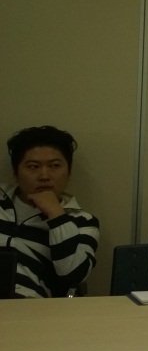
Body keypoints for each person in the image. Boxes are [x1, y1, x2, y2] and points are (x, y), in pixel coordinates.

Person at [0, 126, 100, 298]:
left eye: (54, 166)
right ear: (15, 174)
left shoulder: (82, 222)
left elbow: (73, 276)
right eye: (33, 166)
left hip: (34, 308)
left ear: (69, 173)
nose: (44, 176)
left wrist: (56, 214)